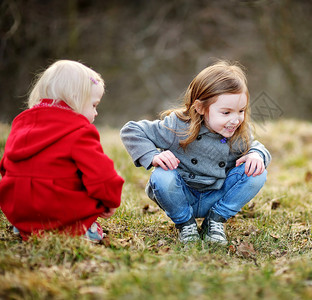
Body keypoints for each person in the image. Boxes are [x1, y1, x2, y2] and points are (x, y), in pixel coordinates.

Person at [120, 60, 271, 245]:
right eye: (226, 112)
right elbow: (131, 130)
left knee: (257, 172)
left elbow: (256, 145)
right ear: (200, 107)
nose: (236, 119)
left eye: (241, 110)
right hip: (181, 195)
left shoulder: (238, 133)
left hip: (216, 196)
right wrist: (152, 156)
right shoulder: (178, 126)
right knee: (161, 176)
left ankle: (215, 220)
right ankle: (185, 224)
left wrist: (256, 155)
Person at [0, 60, 124, 241]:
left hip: (19, 211)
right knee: (79, 203)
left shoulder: (21, 122)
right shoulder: (79, 130)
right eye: (94, 105)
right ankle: (78, 230)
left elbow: (5, 166)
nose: (96, 113)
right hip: (59, 213)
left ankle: (27, 227)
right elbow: (102, 176)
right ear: (76, 99)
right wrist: (111, 201)